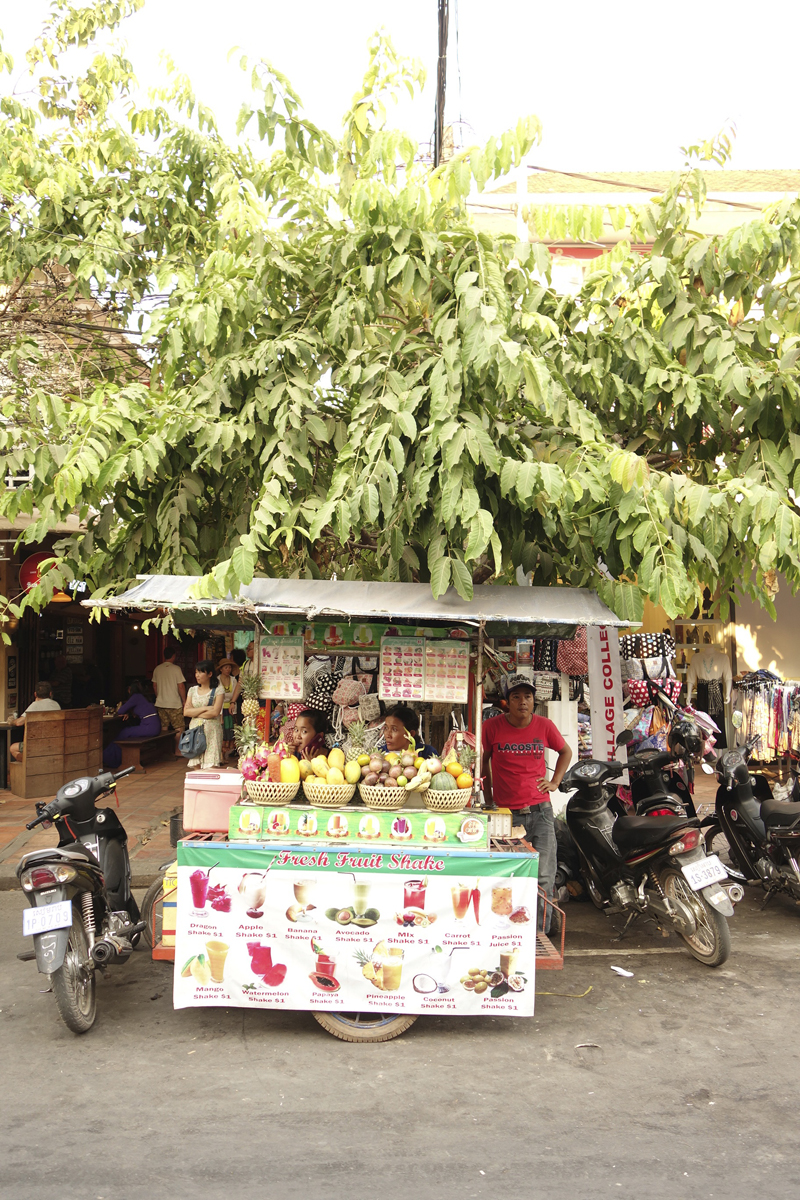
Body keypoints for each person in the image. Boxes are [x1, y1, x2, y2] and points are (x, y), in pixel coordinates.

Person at [481, 674, 572, 934]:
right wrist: (488, 797)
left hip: (540, 811)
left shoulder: (544, 726)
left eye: (528, 697)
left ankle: (538, 934)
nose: (523, 702)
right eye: (516, 696)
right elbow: (484, 760)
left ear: (534, 701)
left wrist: (554, 782)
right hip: (507, 816)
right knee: (507, 875)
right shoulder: (493, 727)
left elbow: (566, 751)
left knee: (543, 875)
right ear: (506, 701)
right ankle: (507, 930)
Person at [103, 681, 162, 768]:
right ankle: (113, 757)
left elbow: (120, 711)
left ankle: (111, 759)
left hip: (149, 727)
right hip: (155, 726)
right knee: (126, 732)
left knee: (124, 732)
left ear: (130, 689)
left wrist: (126, 712)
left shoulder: (135, 697)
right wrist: (128, 713)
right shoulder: (144, 697)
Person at [184, 660, 224, 769]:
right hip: (195, 731)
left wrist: (195, 712)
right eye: (196, 672)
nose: (197, 675)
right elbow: (186, 712)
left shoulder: (218, 690)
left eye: (201, 672)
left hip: (212, 732)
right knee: (196, 764)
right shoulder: (192, 690)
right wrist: (205, 708)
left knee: (211, 766)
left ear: (210, 674)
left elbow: (215, 712)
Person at [152, 641, 187, 757]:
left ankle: (165, 751)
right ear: (173, 656)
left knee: (164, 727)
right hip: (174, 703)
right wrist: (184, 700)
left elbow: (154, 686)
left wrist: (159, 696)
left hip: (161, 703)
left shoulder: (157, 669)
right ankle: (177, 750)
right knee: (179, 727)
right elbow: (181, 686)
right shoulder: (176, 669)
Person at [10, 681, 61, 760]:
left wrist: (12, 721)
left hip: (37, 743)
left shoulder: (35, 705)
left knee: (13, 748)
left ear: (35, 694)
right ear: (50, 694)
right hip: (53, 742)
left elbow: (19, 723)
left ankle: (30, 764)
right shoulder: (56, 705)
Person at [216, 658, 241, 759]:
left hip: (231, 709)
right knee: (222, 731)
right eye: (226, 667)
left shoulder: (233, 680)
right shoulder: (217, 680)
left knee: (231, 731)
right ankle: (221, 754)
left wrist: (232, 704)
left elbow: (235, 693)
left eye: (230, 667)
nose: (228, 669)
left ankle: (228, 752)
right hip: (221, 709)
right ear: (221, 669)